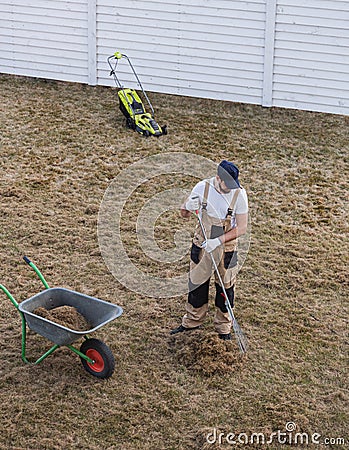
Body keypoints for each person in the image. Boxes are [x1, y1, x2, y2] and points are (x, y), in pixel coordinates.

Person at [170, 160, 248, 341]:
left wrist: (218, 240)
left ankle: (224, 327)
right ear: (218, 178)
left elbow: (242, 228)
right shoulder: (202, 188)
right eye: (227, 184)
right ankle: (192, 321)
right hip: (202, 242)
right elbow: (184, 213)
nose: (230, 188)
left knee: (226, 286)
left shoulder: (239, 195)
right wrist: (187, 206)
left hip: (227, 245)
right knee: (197, 283)